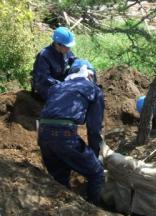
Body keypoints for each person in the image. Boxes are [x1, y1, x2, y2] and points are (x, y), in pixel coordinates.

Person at [37, 59, 105, 206]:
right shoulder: (93, 90)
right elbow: (94, 129)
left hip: (42, 133)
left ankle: (64, 209)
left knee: (59, 179)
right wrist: (95, 154)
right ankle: (94, 211)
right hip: (64, 136)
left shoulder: (57, 87)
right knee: (96, 172)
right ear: (91, 76)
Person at [32, 26, 77, 101]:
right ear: (57, 44)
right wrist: (63, 85)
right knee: (65, 99)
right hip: (46, 86)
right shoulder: (44, 56)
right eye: (67, 46)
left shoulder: (65, 50)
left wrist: (83, 67)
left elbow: (74, 60)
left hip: (59, 80)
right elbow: (44, 78)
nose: (69, 49)